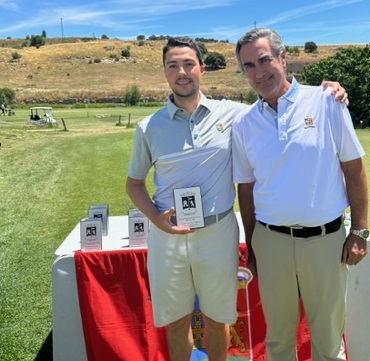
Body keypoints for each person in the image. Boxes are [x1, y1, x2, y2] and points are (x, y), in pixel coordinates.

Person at [126, 36, 348, 361]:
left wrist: (327, 91)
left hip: (217, 233)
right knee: (175, 323)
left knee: (219, 319)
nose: (182, 72)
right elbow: (134, 185)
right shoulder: (149, 127)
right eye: (172, 66)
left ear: (202, 68)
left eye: (189, 64)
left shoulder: (232, 114)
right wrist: (156, 218)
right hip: (167, 237)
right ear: (164, 73)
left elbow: (277, 98)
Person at [232, 28, 369, 361]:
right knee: (278, 341)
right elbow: (246, 192)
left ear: (283, 58)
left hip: (325, 242)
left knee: (326, 341)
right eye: (248, 65)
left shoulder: (326, 101)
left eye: (264, 59)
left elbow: (354, 171)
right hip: (271, 243)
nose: (258, 71)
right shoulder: (244, 123)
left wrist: (360, 231)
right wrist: (251, 247)